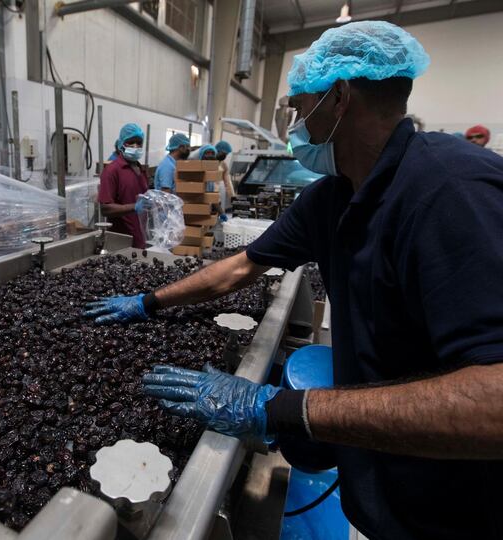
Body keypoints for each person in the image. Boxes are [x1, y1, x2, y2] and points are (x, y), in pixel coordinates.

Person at [85, 20, 503, 540]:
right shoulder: (331, 197)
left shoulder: (452, 192)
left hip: (460, 508)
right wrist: (148, 301)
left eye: (298, 107)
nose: (295, 123)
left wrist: (284, 407)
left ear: (339, 99)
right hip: (384, 485)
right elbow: (239, 268)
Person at [98, 123, 150, 248]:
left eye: (139, 143)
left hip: (141, 240)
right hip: (122, 243)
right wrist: (135, 207)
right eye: (130, 142)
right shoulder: (112, 170)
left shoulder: (141, 170)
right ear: (121, 143)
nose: (135, 146)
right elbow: (105, 209)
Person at [214, 140, 236, 213]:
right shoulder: (209, 161)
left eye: (226, 154)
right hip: (211, 189)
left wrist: (232, 196)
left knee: (220, 210)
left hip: (220, 189)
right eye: (224, 153)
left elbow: (227, 180)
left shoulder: (223, 164)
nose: (225, 156)